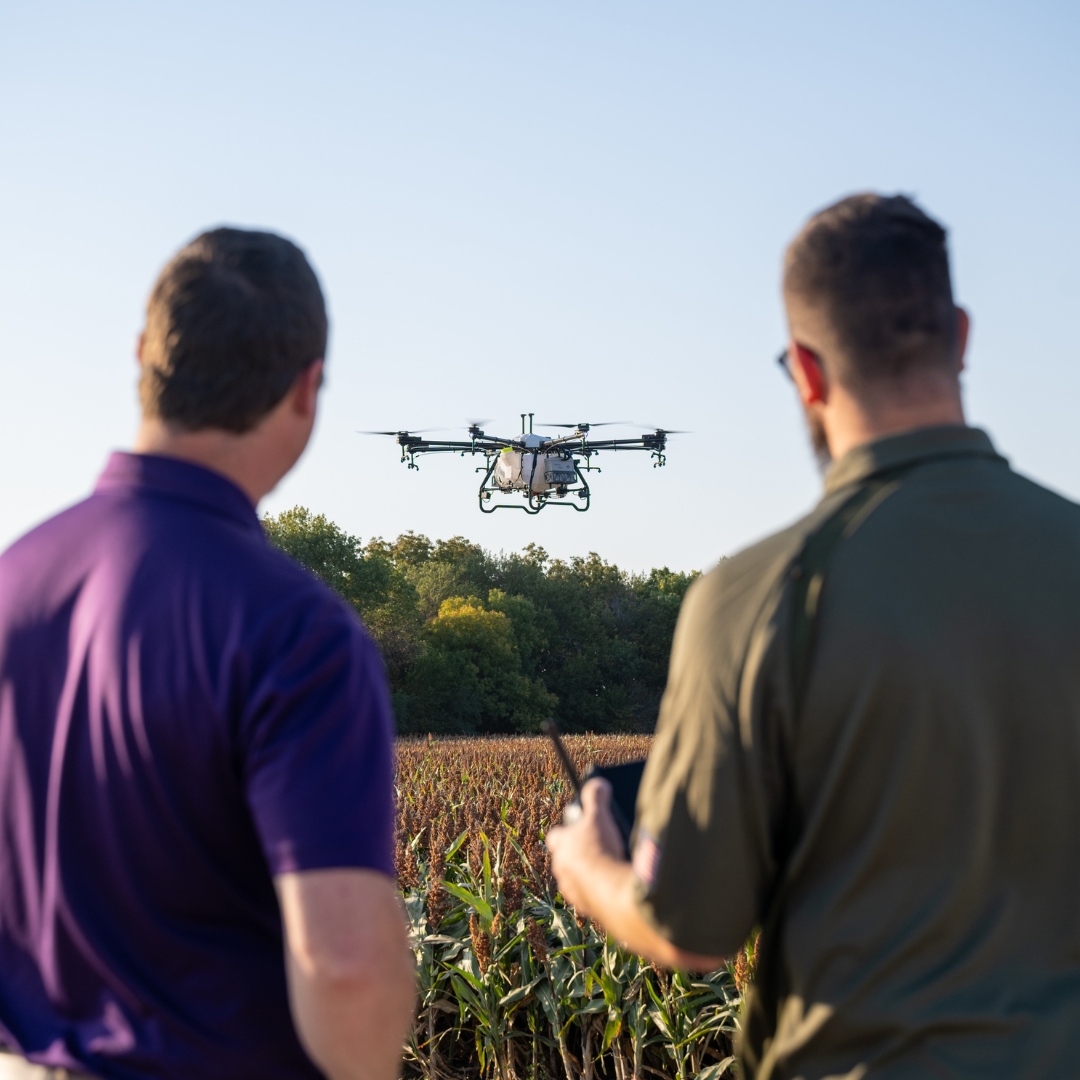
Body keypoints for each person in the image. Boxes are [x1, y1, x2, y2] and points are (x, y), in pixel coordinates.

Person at [548, 193, 1080, 1078]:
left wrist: (593, 867)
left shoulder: (755, 597)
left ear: (805, 369)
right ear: (959, 336)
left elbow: (694, 929)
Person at [0, 228, 416, 1079]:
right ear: (307, 390)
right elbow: (344, 969)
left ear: (143, 356)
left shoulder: (13, 581)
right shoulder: (297, 633)